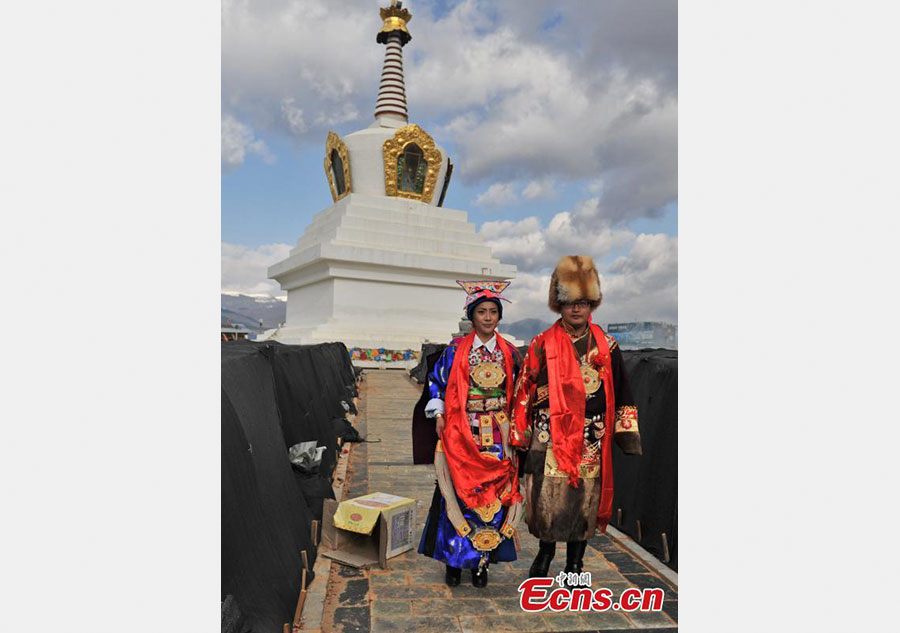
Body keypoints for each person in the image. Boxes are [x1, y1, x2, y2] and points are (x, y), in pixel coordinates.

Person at [509, 255, 642, 582]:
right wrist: (520, 433)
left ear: (592, 304)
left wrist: (626, 435)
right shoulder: (542, 343)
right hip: (549, 433)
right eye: (569, 303)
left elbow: (623, 391)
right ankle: (545, 551)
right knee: (546, 498)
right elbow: (524, 386)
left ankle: (575, 563)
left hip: (590, 437)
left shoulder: (607, 346)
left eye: (583, 303)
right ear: (559, 305)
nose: (576, 310)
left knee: (584, 499)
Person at [417, 280, 523, 588]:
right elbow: (436, 383)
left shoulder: (510, 354)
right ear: (471, 316)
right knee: (459, 492)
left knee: (494, 494)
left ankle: (482, 559)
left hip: (499, 433)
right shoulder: (454, 352)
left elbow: (520, 391)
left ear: (499, 316)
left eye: (493, 312)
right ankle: (454, 559)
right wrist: (439, 414)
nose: (488, 317)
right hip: (463, 430)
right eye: (482, 312)